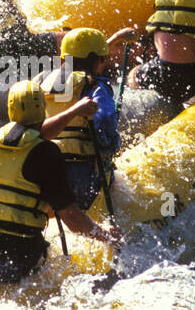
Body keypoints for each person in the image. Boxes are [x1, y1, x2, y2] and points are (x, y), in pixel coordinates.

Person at [0, 80, 121, 283]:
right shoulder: (46, 152)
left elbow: (31, 135)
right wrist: (106, 236)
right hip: (16, 249)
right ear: (43, 109)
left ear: (10, 110)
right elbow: (71, 218)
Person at [36, 27, 133, 210]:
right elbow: (103, 120)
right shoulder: (95, 86)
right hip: (81, 172)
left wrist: (115, 38)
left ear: (63, 57)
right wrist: (111, 146)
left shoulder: (41, 81)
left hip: (46, 169)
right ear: (100, 61)